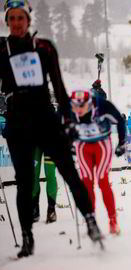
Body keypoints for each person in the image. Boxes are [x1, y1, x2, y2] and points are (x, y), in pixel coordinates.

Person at [0, 0, 101, 258]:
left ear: (28, 20)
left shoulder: (43, 47)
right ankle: (27, 237)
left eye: (20, 18)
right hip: (18, 123)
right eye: (11, 18)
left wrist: (67, 119)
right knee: (25, 183)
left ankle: (90, 220)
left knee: (68, 172)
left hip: (45, 119)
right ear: (6, 21)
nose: (16, 23)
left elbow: (58, 86)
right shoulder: (2, 49)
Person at [69, 89, 126, 235]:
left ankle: (113, 220)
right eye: (76, 106)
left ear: (90, 103)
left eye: (82, 107)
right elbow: (62, 126)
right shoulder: (69, 108)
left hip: (102, 144)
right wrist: (68, 144)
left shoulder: (102, 105)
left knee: (102, 181)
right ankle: (91, 220)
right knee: (86, 182)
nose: (79, 110)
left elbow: (120, 120)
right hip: (83, 146)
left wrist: (122, 143)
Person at [32, 147, 57, 224]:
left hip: (50, 141)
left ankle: (51, 209)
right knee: (33, 175)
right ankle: (34, 208)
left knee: (50, 174)